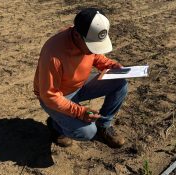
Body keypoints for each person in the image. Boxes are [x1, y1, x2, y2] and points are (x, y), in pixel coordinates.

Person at [33, 8, 128, 148]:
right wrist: (81, 112)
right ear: (77, 35)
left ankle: (104, 125)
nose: (93, 50)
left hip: (80, 85)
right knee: (87, 132)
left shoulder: (85, 36)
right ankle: (56, 126)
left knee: (120, 83)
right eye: (92, 46)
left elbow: (96, 56)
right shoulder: (53, 55)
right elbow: (50, 96)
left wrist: (110, 65)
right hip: (57, 97)